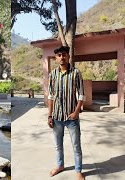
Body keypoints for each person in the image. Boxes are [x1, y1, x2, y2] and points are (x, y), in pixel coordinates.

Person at [47, 46, 85, 180]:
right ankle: (60, 165)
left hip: (71, 118)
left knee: (76, 145)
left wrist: (76, 112)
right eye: (59, 55)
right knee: (58, 145)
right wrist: (50, 115)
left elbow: (81, 95)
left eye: (64, 55)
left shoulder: (76, 73)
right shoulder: (52, 75)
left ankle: (78, 170)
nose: (61, 57)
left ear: (68, 56)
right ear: (56, 58)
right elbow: (51, 96)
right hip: (56, 117)